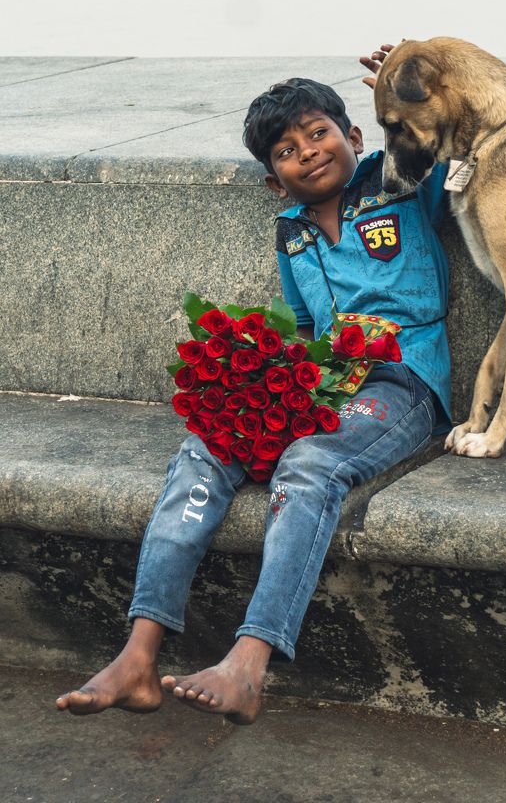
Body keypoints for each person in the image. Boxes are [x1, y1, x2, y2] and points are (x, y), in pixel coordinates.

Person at [55, 48, 451, 724]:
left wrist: (418, 87)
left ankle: (249, 661)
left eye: (319, 133)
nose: (309, 152)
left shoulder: (401, 185)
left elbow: (450, 141)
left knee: (308, 464)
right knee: (205, 445)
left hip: (400, 382)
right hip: (320, 380)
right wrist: (258, 383)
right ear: (275, 180)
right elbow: (301, 326)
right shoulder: (290, 233)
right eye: (288, 150)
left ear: (353, 137)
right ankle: (139, 655)